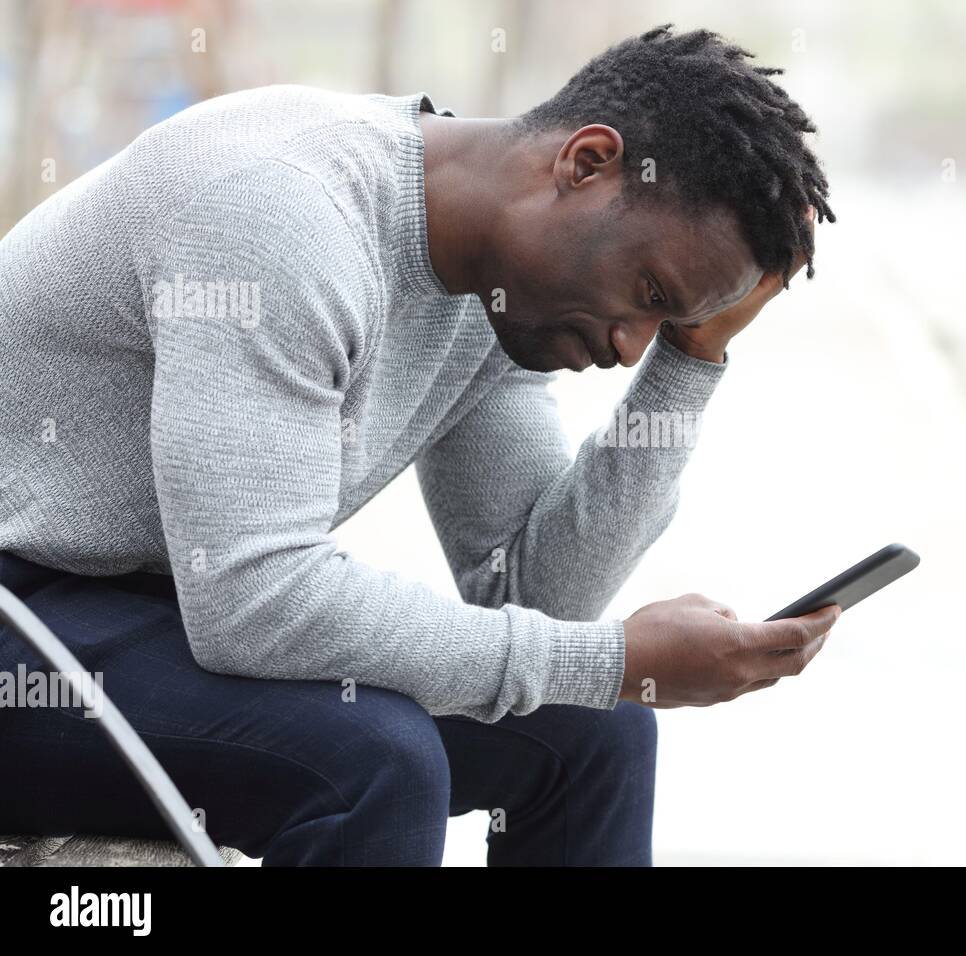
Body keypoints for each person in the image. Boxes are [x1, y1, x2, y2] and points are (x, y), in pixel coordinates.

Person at [0, 25, 837, 866]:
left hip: (146, 612)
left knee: (597, 731)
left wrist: (690, 363)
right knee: (374, 759)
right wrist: (612, 656)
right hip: (21, 613)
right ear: (585, 164)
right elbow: (254, 599)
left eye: (666, 322)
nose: (629, 346)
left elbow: (534, 594)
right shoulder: (284, 211)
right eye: (648, 293)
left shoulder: (496, 287)